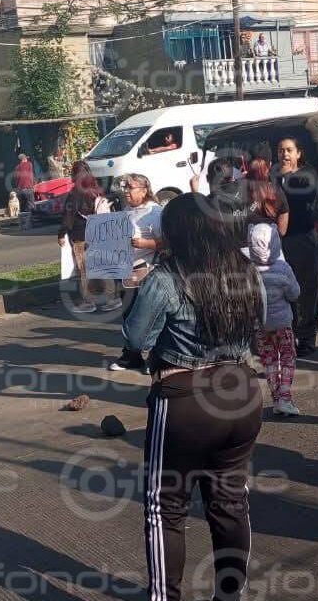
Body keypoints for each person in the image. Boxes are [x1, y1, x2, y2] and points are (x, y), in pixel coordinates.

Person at [121, 192, 264, 601]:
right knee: (230, 500)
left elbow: (136, 338)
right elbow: (262, 317)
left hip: (185, 397)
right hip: (242, 392)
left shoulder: (165, 277)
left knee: (165, 507)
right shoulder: (244, 269)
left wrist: (134, 293)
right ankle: (231, 593)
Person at [108, 174, 164, 372]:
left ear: (144, 190)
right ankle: (131, 356)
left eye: (130, 187)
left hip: (146, 272)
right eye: (124, 187)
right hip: (124, 271)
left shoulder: (156, 213)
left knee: (150, 317)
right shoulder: (126, 211)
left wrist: (145, 244)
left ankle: (156, 356)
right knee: (129, 315)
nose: (126, 191)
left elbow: (167, 243)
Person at [274, 137, 318, 357]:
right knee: (287, 291)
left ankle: (307, 338)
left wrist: (284, 179)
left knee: (307, 290)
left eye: (289, 150)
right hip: (282, 241)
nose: (284, 154)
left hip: (303, 239)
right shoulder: (275, 177)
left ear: (298, 153)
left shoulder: (308, 175)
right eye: (281, 150)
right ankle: (290, 335)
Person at [250, 222, 302, 417]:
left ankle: (276, 399)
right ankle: (285, 398)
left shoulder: (249, 271)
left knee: (269, 361)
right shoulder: (283, 268)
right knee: (287, 359)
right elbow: (294, 294)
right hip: (283, 323)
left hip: (261, 324)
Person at [58, 161, 122, 313]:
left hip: (82, 236)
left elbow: (68, 216)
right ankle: (112, 298)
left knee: (84, 270)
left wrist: (61, 234)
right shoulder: (96, 189)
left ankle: (88, 302)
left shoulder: (75, 193)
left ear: (74, 175)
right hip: (99, 234)